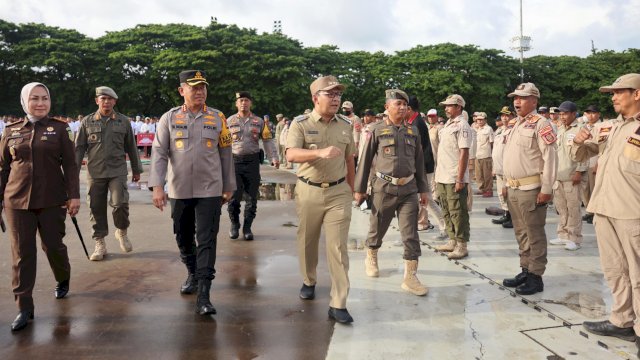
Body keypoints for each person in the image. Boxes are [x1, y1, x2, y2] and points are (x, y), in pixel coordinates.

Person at [149, 70, 236, 315]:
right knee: (183, 236)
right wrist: (158, 186)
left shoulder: (218, 117)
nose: (199, 92)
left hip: (210, 188)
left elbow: (226, 153)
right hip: (179, 188)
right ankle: (192, 272)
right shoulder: (169, 118)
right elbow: (159, 152)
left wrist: (228, 186)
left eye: (202, 87)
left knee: (207, 239)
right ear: (182, 91)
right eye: (193, 87)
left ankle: (204, 294)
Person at [0, 82, 80, 331]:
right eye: (34, 98)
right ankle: (24, 307)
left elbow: (70, 165)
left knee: (53, 246)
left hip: (51, 200)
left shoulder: (60, 129)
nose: (40, 103)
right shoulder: (11, 130)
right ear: (25, 101)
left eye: (45, 98)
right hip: (17, 201)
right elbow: (2, 168)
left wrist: (74, 195)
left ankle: (62, 277)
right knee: (22, 254)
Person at [573, 74, 640, 354]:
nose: (613, 97)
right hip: (605, 208)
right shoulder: (612, 128)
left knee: (637, 273)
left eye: (619, 92)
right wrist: (578, 141)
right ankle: (622, 319)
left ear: (637, 94)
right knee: (615, 270)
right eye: (611, 93)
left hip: (632, 212)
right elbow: (582, 155)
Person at [285, 75, 355, 324]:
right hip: (309, 191)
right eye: (330, 94)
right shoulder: (300, 124)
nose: (336, 98)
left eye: (338, 94)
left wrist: (352, 189)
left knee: (337, 247)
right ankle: (309, 279)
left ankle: (338, 303)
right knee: (307, 240)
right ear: (316, 98)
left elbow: (350, 159)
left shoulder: (346, 124)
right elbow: (291, 154)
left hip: (339, 193)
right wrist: (318, 152)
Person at [354, 89, 429, 296]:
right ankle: (371, 254)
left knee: (410, 234)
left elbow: (420, 163)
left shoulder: (413, 131)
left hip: (409, 189)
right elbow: (365, 160)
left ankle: (410, 277)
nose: (403, 108)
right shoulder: (377, 130)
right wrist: (360, 189)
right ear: (387, 107)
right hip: (384, 188)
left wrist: (424, 189)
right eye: (398, 104)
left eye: (405, 105)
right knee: (377, 227)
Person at [501, 83, 557, 295]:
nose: (517, 101)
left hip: (532, 189)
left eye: (523, 98)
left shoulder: (541, 124)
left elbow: (550, 158)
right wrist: (506, 183)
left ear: (534, 100)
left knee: (534, 234)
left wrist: (547, 188)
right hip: (514, 188)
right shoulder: (516, 124)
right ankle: (525, 269)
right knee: (521, 233)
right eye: (515, 97)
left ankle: (536, 276)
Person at [75, 86, 143, 261]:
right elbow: (79, 149)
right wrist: (72, 174)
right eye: (102, 99)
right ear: (97, 101)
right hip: (95, 172)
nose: (106, 102)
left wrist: (136, 169)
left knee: (120, 203)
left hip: (117, 171)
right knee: (95, 208)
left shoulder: (123, 122)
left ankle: (122, 231)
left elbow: (132, 148)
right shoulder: (87, 122)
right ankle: (100, 243)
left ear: (115, 101)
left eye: (109, 99)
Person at [226, 91, 279, 241]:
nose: (244, 103)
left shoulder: (259, 121)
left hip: (252, 162)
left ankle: (247, 227)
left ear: (251, 103)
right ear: (236, 103)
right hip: (234, 162)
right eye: (241, 100)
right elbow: (222, 143)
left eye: (247, 100)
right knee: (234, 198)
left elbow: (267, 141)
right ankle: (234, 224)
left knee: (251, 197)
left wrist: (274, 157)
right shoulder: (228, 121)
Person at [433, 95, 472, 259]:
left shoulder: (462, 125)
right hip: (442, 175)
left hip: (454, 176)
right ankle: (452, 239)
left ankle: (462, 244)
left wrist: (460, 178)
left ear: (458, 107)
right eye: (446, 106)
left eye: (449, 106)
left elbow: (464, 152)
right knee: (446, 209)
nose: (446, 109)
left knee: (458, 211)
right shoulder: (447, 125)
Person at [548, 101, 587, 251]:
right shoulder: (559, 129)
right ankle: (562, 234)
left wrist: (579, 171)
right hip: (559, 175)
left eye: (565, 113)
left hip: (572, 175)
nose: (562, 116)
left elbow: (585, 152)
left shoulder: (580, 129)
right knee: (562, 208)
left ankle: (574, 238)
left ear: (573, 113)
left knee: (573, 208)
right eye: (561, 114)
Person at [491, 107, 515, 228]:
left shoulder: (513, 130)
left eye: (507, 115)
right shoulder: (500, 130)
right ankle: (506, 213)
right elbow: (496, 149)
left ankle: (513, 217)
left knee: (509, 194)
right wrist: (494, 167)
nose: (504, 118)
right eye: (503, 116)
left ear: (513, 116)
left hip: (508, 169)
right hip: (499, 167)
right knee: (501, 193)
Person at [580, 105, 601, 224]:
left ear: (598, 114)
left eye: (593, 113)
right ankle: (589, 210)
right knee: (585, 188)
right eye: (588, 113)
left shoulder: (603, 127)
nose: (591, 115)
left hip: (594, 160)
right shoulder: (583, 127)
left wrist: (599, 163)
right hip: (584, 161)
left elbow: (603, 148)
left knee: (594, 187)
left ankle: (595, 212)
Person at [474, 112, 495, 197]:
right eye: (478, 119)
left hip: (486, 154)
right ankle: (481, 189)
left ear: (485, 120)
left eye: (481, 119)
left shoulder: (488, 129)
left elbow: (491, 142)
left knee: (487, 174)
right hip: (477, 154)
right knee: (479, 175)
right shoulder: (476, 129)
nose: (479, 121)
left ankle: (488, 190)